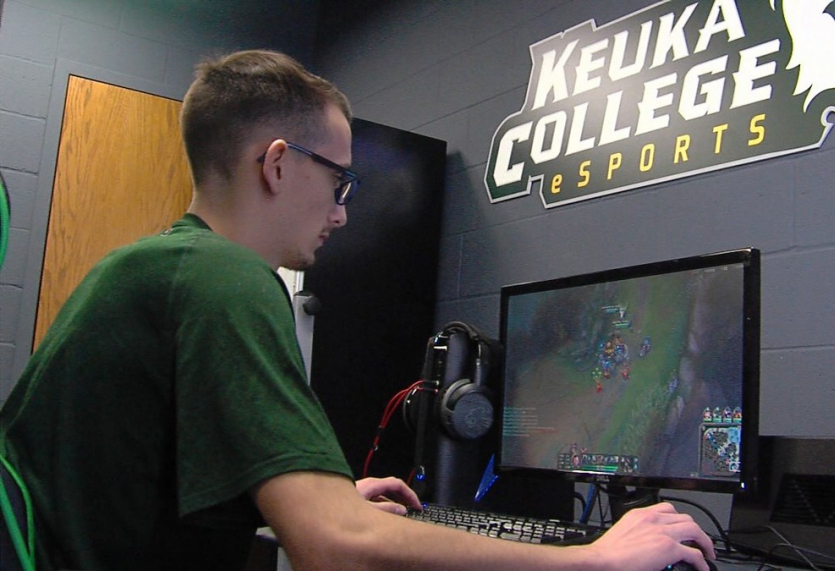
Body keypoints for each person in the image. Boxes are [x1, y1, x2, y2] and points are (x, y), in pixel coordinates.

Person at [0, 50, 716, 571]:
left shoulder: (156, 265)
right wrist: (593, 558)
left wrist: (321, 498)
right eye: (339, 180)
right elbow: (330, 548)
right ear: (278, 164)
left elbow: (140, 483)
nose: (342, 213)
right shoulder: (226, 281)